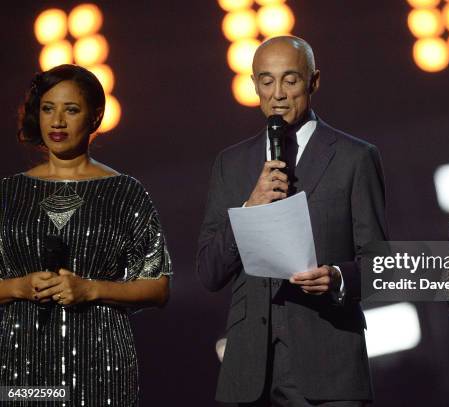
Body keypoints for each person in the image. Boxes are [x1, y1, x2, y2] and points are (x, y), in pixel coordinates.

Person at [197, 36, 387, 406]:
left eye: (290, 80)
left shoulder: (354, 157)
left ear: (313, 82)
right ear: (254, 86)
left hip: (328, 365)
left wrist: (337, 276)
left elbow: (383, 266)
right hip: (249, 373)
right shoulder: (230, 164)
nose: (278, 93)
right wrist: (249, 209)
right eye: (267, 81)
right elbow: (208, 271)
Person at [0, 64, 172, 406]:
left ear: (94, 117)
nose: (57, 121)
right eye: (48, 109)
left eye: (71, 110)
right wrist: (19, 286)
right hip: (19, 367)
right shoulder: (8, 193)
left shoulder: (124, 192)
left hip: (102, 369)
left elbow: (158, 287)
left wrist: (89, 290)